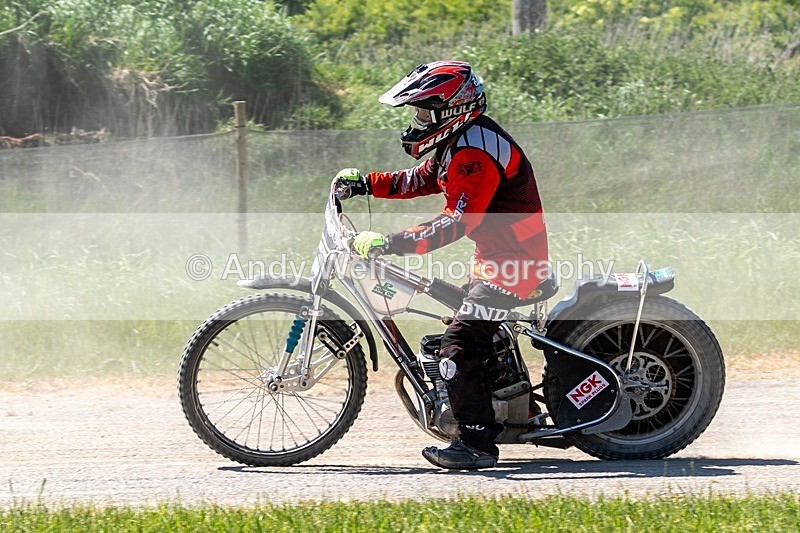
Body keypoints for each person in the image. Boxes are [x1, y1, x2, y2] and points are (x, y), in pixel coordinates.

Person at [335, 60, 549, 470]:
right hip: (494, 260)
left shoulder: (475, 153)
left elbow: (457, 222)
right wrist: (366, 183)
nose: (416, 122)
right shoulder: (461, 142)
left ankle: (477, 444)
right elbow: (418, 180)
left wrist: (390, 242)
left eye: (422, 113)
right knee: (454, 323)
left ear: (450, 111)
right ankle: (494, 398)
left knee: (458, 346)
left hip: (515, 266)